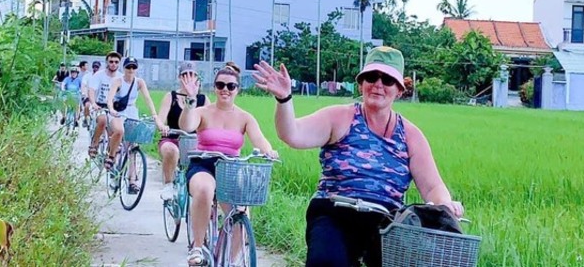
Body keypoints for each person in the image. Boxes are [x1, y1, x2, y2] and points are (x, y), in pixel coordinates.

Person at [252, 46, 464, 267]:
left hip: (386, 222)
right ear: (361, 83)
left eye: (387, 80)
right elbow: (292, 134)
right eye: (371, 77)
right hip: (335, 211)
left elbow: (432, 186)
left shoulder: (410, 135)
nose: (378, 84)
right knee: (326, 262)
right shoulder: (339, 117)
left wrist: (445, 205)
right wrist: (284, 99)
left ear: (399, 90)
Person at [178, 62, 279, 266]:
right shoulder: (202, 111)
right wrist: (190, 101)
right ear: (215, 88)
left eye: (230, 86)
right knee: (205, 189)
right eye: (220, 85)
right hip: (203, 164)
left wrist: (269, 151)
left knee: (241, 212)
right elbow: (186, 125)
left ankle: (231, 260)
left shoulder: (245, 117)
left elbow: (259, 140)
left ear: (237, 89)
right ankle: (197, 246)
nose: (225, 90)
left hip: (230, 168)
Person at [155, 61, 210, 200]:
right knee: (171, 150)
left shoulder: (203, 99)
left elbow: (210, 123)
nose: (188, 78)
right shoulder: (171, 96)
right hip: (173, 138)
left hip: (194, 142)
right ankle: (168, 185)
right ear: (180, 77)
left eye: (192, 74)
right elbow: (160, 119)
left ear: (197, 78)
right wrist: (163, 127)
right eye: (185, 74)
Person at [104, 56, 162, 180]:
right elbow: (110, 98)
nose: (131, 70)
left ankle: (132, 179)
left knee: (132, 146)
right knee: (119, 131)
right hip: (118, 112)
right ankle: (111, 155)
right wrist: (111, 109)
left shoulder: (139, 82)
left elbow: (148, 99)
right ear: (124, 68)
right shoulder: (118, 81)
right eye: (128, 67)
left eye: (133, 67)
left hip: (132, 112)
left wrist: (154, 115)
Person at [88, 52, 124, 168]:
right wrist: (93, 103)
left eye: (116, 62)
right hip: (100, 105)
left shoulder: (121, 77)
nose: (113, 64)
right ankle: (95, 142)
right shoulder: (99, 75)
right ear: (107, 62)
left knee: (117, 130)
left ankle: (112, 153)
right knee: (102, 120)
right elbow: (91, 90)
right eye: (111, 62)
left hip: (113, 108)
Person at [80, 61, 99, 127]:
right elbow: (83, 85)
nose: (95, 68)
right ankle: (86, 119)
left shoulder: (101, 76)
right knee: (87, 106)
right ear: (92, 67)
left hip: (98, 97)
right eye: (94, 67)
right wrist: (84, 93)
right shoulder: (87, 76)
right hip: (88, 95)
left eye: (97, 67)